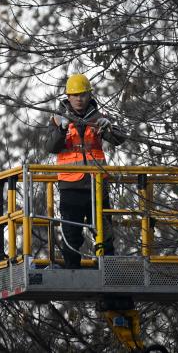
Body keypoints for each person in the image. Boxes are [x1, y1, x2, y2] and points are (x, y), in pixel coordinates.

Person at [45, 73, 126, 269]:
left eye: (82, 94)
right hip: (70, 185)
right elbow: (51, 146)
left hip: (96, 185)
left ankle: (109, 270)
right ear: (68, 97)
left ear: (89, 95)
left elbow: (119, 139)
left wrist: (109, 129)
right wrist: (62, 129)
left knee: (104, 231)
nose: (79, 99)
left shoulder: (100, 118)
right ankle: (72, 269)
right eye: (74, 95)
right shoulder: (57, 120)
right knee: (71, 233)